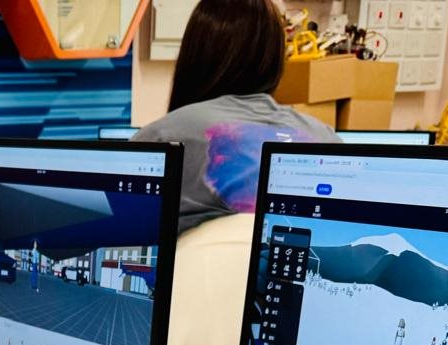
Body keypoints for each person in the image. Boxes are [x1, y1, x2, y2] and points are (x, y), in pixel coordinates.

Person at [132, 0, 339, 233]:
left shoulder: (161, 140)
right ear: (276, 59)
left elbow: (119, 237)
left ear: (194, 54)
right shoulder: (327, 141)